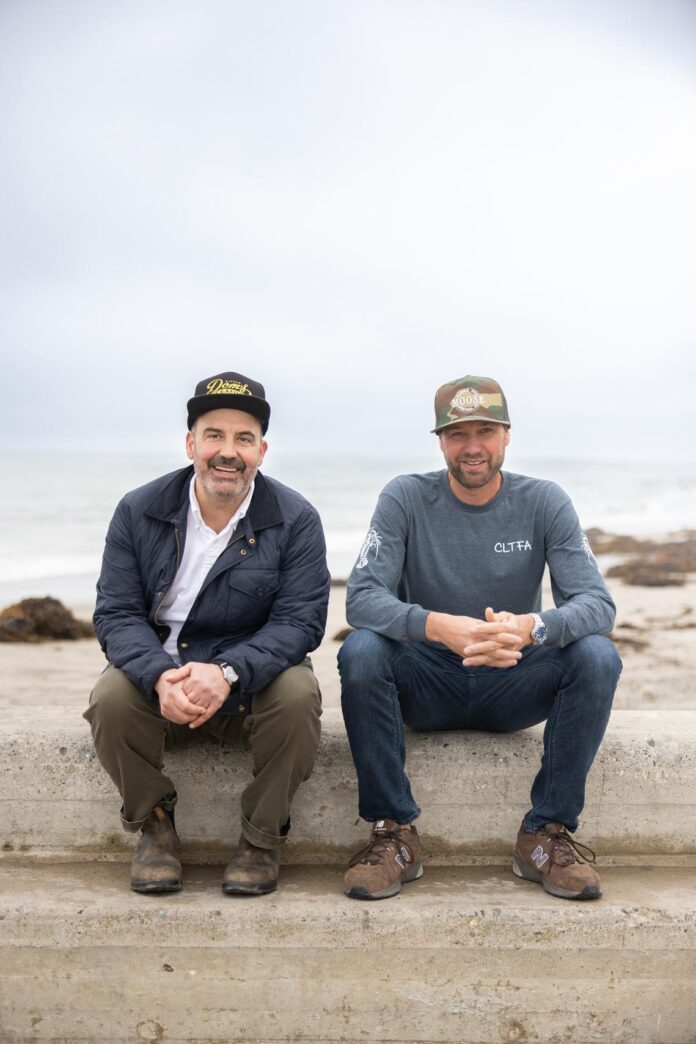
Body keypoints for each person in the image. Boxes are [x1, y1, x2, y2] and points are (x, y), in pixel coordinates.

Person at [338, 375, 621, 902]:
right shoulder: (404, 496)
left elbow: (597, 604)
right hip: (427, 684)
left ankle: (546, 833)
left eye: (484, 431)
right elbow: (361, 599)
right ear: (440, 441)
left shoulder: (544, 501)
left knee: (598, 656)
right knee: (361, 650)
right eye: (457, 433)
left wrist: (530, 628)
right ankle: (393, 832)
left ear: (507, 435)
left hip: (513, 681)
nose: (472, 446)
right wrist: (439, 626)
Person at [85, 371, 330, 896]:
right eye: (214, 435)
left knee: (298, 695)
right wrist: (158, 676)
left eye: (243, 439)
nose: (228, 451)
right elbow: (115, 614)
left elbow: (301, 622)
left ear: (262, 451)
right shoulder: (138, 509)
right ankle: (155, 826)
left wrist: (228, 671)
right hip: (164, 685)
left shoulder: (296, 519)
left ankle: (261, 839)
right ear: (190, 442)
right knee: (109, 696)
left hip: (250, 686)